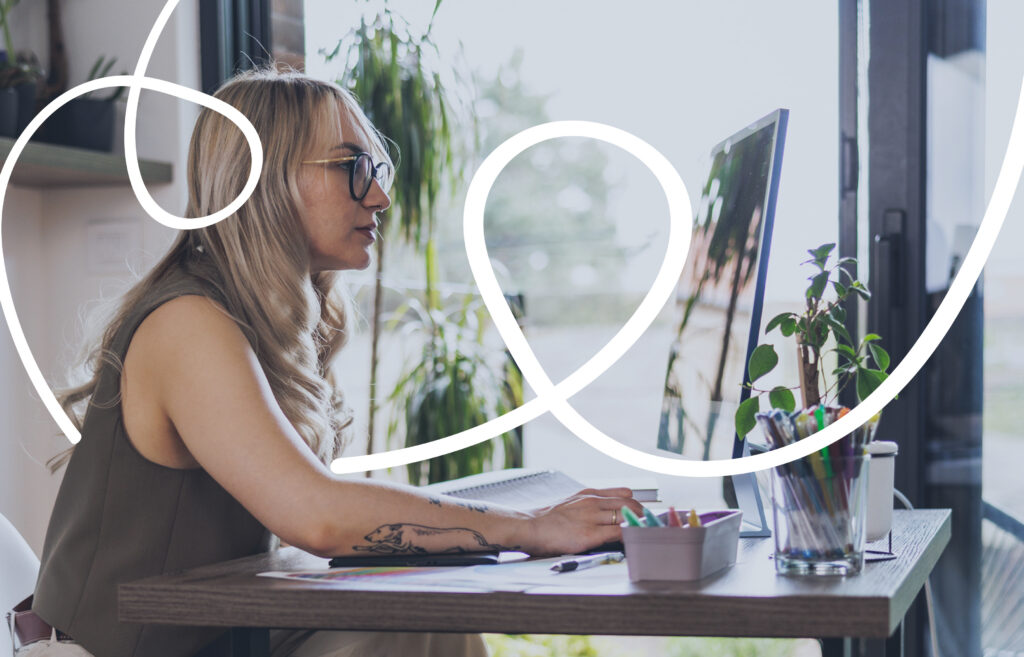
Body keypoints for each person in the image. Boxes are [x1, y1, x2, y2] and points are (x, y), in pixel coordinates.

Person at [26, 68, 643, 657]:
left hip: (211, 638)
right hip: (100, 651)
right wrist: (531, 527)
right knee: (399, 637)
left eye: (378, 168)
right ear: (259, 178)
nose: (379, 194)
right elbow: (315, 514)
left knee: (432, 626)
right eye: (352, 167)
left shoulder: (261, 318)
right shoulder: (187, 322)